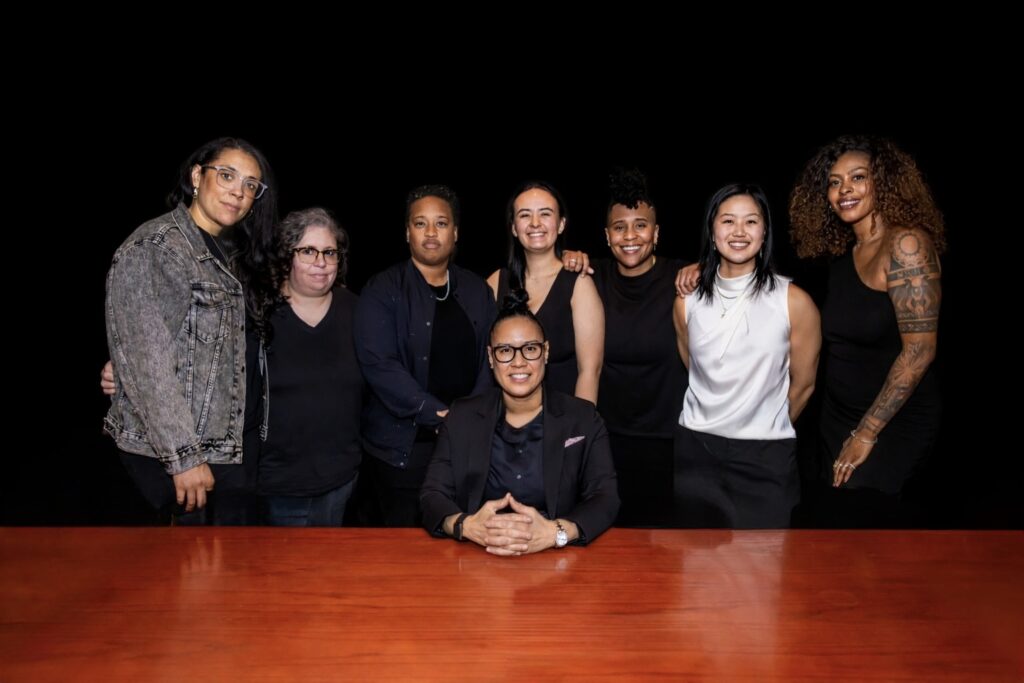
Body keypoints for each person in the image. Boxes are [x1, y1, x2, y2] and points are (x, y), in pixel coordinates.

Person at [104, 137, 277, 523]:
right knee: (183, 561)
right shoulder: (157, 247)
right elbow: (148, 367)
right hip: (183, 458)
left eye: (250, 184)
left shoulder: (232, 254)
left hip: (231, 450)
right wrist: (183, 457)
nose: (238, 192)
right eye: (227, 175)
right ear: (197, 176)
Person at [789, 135, 944, 520]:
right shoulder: (845, 254)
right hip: (838, 417)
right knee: (836, 527)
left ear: (883, 183)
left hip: (891, 422)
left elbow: (920, 350)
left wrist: (867, 432)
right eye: (835, 182)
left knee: (868, 527)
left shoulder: (906, 245)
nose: (845, 190)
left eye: (858, 177)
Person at [420, 292, 619, 554]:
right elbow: (432, 494)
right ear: (491, 357)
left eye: (530, 349)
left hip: (558, 557)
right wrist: (465, 526)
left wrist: (556, 532)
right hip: (477, 556)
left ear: (545, 352)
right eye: (505, 351)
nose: (518, 362)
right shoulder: (462, 416)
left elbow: (605, 497)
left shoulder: (582, 418)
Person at [673, 183, 820, 528]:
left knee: (764, 559)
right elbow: (694, 368)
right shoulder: (686, 300)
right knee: (694, 559)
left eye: (751, 221)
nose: (739, 231)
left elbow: (804, 385)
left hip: (765, 459)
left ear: (764, 232)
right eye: (728, 221)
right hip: (696, 451)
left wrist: (763, 422)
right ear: (712, 231)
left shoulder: (794, 301)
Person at [354, 185, 496, 527]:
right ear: (407, 232)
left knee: (463, 539)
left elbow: (492, 359)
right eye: (421, 223)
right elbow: (379, 365)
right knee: (404, 549)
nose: (431, 232)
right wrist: (438, 414)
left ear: (455, 232)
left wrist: (469, 418)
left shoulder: (477, 290)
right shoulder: (382, 289)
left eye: (441, 223)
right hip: (402, 452)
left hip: (467, 447)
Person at [243, 207, 363, 526]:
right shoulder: (258, 313)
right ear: (287, 256)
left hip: (342, 480)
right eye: (308, 251)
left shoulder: (358, 311)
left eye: (329, 252)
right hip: (277, 484)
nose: (320, 262)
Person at [591, 168, 688, 527]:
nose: (630, 236)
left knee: (667, 546)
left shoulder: (683, 278)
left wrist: (706, 267)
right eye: (619, 227)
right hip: (607, 442)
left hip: (670, 443)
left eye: (640, 226)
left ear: (656, 233)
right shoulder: (591, 277)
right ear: (607, 236)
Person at [487, 181, 604, 403]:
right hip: (507, 416)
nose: (535, 223)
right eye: (524, 215)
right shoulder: (496, 282)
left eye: (545, 214)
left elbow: (590, 371)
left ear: (561, 224)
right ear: (514, 228)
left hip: (563, 416)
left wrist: (581, 423)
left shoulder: (579, 283)